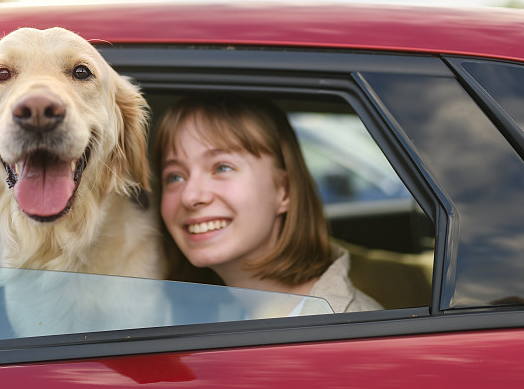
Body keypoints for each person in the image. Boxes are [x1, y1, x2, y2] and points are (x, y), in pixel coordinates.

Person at [152, 95, 381, 313]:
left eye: (222, 167)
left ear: (285, 190)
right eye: (175, 177)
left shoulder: (350, 334)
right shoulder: (201, 315)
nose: (190, 196)